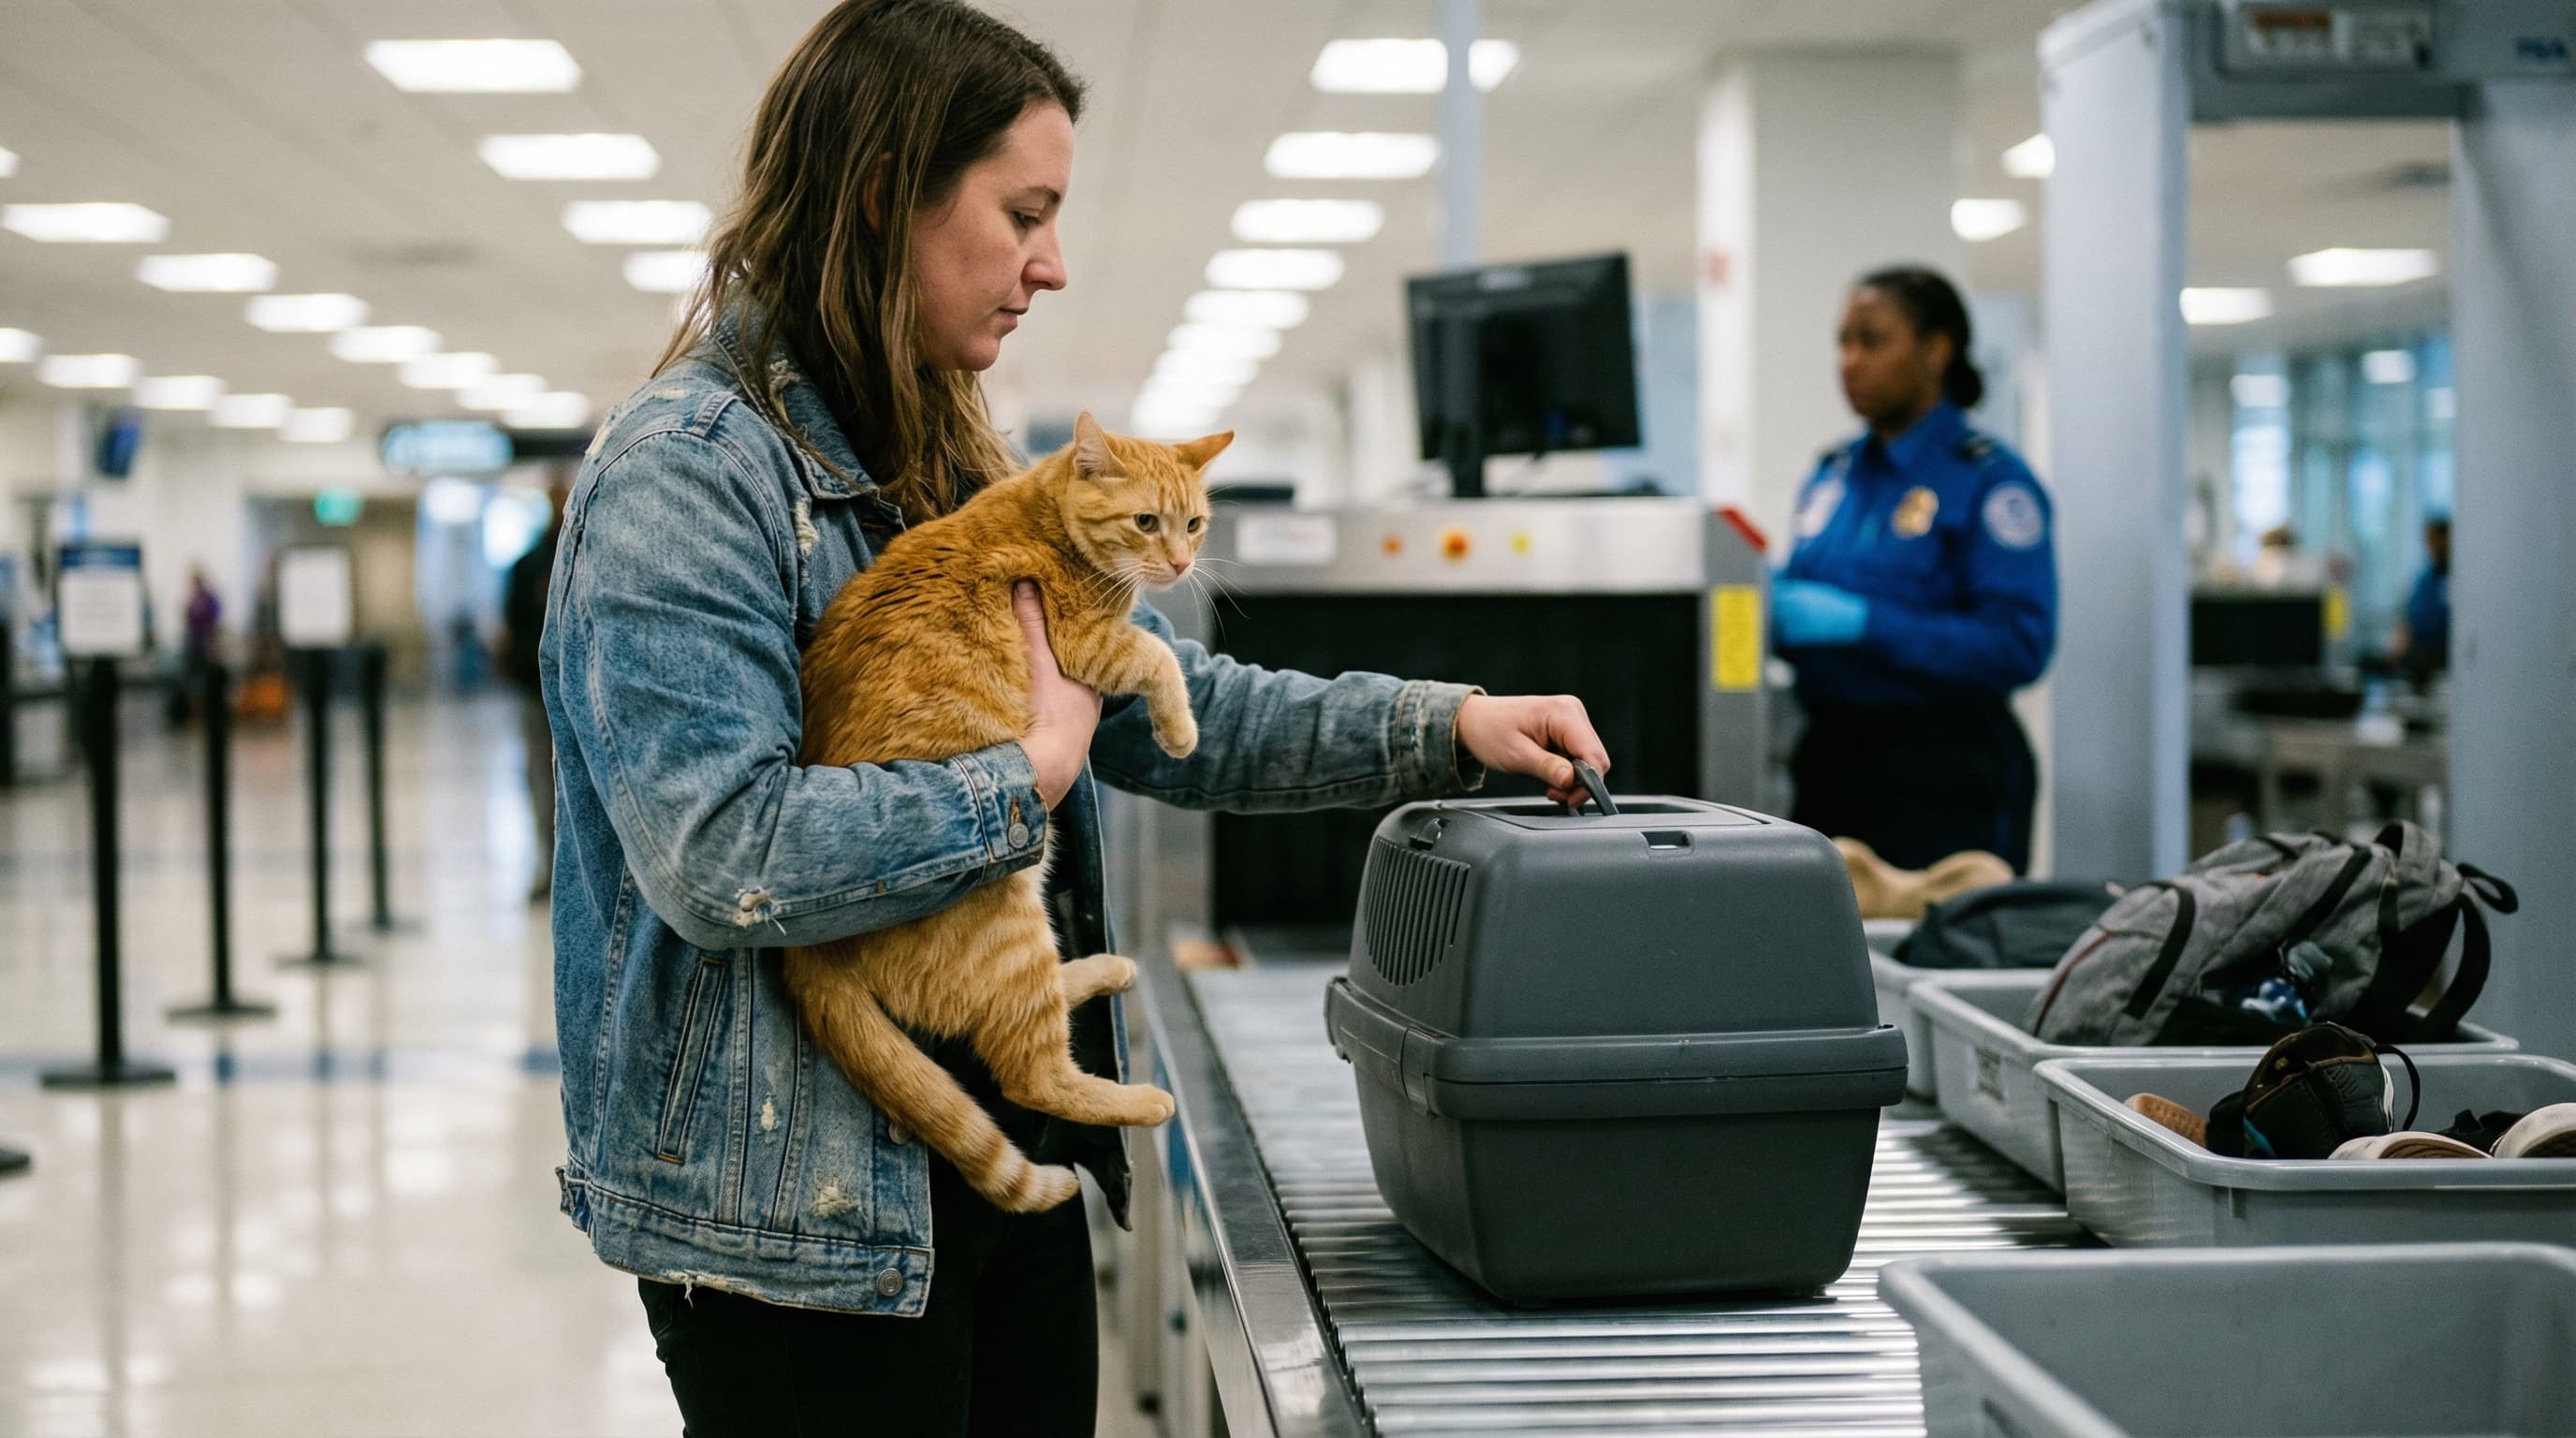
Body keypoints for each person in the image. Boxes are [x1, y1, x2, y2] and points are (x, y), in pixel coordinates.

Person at [538, 4, 1611, 1432]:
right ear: (881, 197)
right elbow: (721, 849)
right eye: (1024, 213)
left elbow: (1174, 704)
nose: (1053, 264)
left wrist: (1447, 725)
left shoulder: (943, 449)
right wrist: (1017, 779)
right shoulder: (688, 476)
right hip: (800, 1222)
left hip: (1005, 1152)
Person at [1772, 266, 2056, 873]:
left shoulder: (1988, 480)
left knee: (1941, 958)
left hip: (1945, 769)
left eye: (1872, 341)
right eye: (1843, 343)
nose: (1849, 361)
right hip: (1833, 758)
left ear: (1937, 350)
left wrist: (1866, 625)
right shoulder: (1834, 474)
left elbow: (2018, 646)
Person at [500, 473, 569, 902]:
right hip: (536, 690)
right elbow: (512, 626)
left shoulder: (593, 556)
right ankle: (549, 867)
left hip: (581, 691)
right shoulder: (528, 566)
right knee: (542, 782)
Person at [2393, 515, 2450, 682]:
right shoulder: (2425, 578)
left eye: (2434, 539)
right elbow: (2408, 614)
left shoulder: (2457, 577)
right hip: (2417, 646)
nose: (2430, 545)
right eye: (2428, 540)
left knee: (2418, 660)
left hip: (2440, 650)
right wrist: (2400, 640)